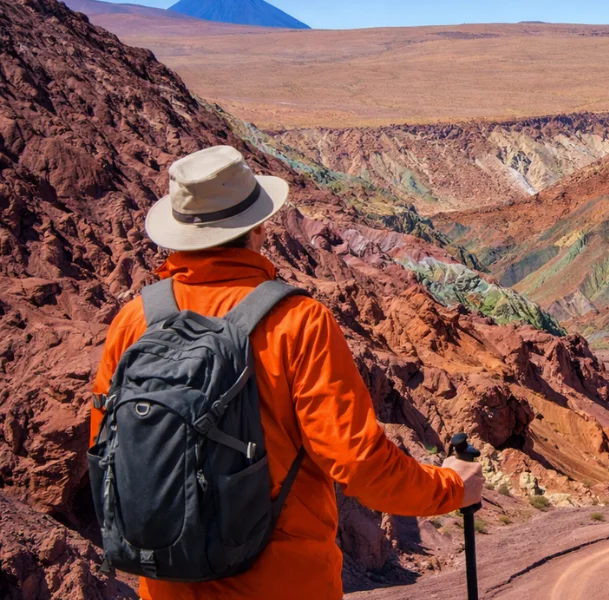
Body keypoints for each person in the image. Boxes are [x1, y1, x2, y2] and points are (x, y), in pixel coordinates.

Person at [90, 145, 484, 599]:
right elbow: (359, 465)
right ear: (258, 227)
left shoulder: (134, 321)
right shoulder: (297, 322)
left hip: (167, 586)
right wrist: (451, 487)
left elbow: (105, 456)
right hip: (285, 583)